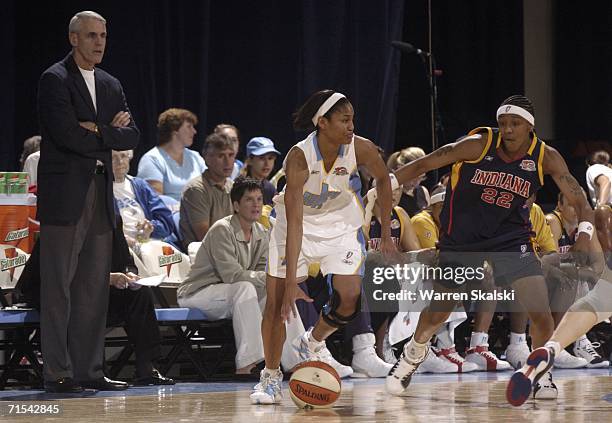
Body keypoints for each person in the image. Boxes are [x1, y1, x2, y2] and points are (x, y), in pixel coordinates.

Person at [386, 95, 597, 401]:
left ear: (530, 127)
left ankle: (541, 374)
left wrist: (585, 234)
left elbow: (579, 200)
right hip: (463, 239)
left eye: (515, 124)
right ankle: (411, 355)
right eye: (503, 123)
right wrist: (388, 180)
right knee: (437, 312)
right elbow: (432, 159)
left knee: (539, 312)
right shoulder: (480, 144)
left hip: (511, 240)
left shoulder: (545, 156)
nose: (508, 129)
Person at [250, 89, 395, 405]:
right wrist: (291, 281)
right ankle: (270, 377)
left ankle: (312, 341)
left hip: (340, 226)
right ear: (322, 123)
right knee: (277, 306)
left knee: (349, 298)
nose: (351, 126)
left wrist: (385, 232)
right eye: (344, 120)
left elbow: (384, 179)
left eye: (352, 119)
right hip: (294, 226)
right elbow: (296, 222)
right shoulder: (300, 157)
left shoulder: (362, 148)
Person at [37, 10, 139, 393]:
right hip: (65, 195)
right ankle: (57, 373)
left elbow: (132, 137)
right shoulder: (55, 79)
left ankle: (89, 371)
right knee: (59, 288)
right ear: (74, 39)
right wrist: (110, 132)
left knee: (93, 288)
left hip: (100, 194)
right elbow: (65, 136)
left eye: (103, 36)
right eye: (92, 35)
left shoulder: (111, 83)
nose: (99, 42)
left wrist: (97, 128)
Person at [178, 178, 268, 376]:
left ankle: (297, 359)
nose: (256, 204)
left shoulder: (262, 232)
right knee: (245, 288)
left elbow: (261, 271)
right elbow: (232, 275)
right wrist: (269, 278)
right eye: (249, 200)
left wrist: (276, 283)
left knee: (276, 293)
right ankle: (247, 364)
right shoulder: (222, 229)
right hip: (198, 292)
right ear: (236, 205)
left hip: (231, 292)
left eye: (259, 199)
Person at [545, 194, 609, 368]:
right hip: (543, 276)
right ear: (559, 205)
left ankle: (578, 341)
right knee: (571, 278)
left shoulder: (586, 228)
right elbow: (549, 261)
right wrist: (581, 272)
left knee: (602, 283)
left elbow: (598, 265)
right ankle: (566, 343)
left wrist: (581, 272)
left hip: (568, 280)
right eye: (571, 205)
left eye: (579, 206)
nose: (576, 210)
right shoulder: (553, 221)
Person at [112, 149, 180, 248]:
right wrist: (121, 240)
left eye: (123, 156)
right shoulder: (99, 190)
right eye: (113, 158)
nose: (120, 162)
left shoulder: (140, 185)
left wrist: (151, 228)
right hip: (122, 249)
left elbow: (166, 222)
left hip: (151, 244)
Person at [179, 132, 235, 249]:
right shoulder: (196, 189)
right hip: (203, 256)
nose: (228, 161)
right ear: (207, 159)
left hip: (228, 250)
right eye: (221, 156)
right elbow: (206, 238)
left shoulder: (233, 186)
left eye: (231, 155)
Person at [137, 108, 206, 202]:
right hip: (171, 213)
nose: (194, 131)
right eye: (189, 126)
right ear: (175, 130)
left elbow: (209, 186)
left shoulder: (195, 157)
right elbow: (154, 200)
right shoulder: (152, 159)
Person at [387, 147, 430, 217]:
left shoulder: (423, 191)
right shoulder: (392, 193)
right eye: (413, 177)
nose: (416, 182)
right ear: (401, 169)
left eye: (420, 177)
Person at [241, 137, 280, 205]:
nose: (267, 163)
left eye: (270, 158)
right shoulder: (239, 188)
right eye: (261, 158)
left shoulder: (270, 189)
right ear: (249, 160)